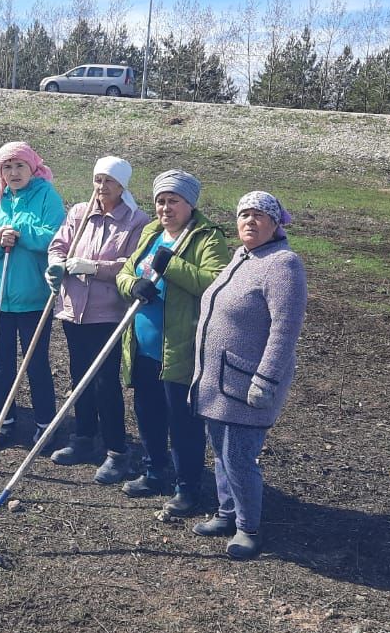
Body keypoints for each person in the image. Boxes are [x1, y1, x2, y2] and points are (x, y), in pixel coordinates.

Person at [190, 191, 306, 560]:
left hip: (246, 383)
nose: (250, 222)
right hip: (217, 380)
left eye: (259, 215)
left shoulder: (283, 264)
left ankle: (248, 529)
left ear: (275, 223)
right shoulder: (242, 256)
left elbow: (285, 330)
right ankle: (227, 513)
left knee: (239, 456)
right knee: (221, 454)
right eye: (244, 215)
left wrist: (266, 379)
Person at [116, 170, 230, 514]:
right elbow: (126, 271)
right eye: (161, 201)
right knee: (147, 411)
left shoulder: (206, 238)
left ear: (190, 203)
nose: (166, 208)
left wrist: (173, 265)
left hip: (179, 347)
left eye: (173, 201)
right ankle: (154, 471)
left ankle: (188, 487)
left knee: (182, 419)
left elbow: (215, 283)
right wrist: (132, 286)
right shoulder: (152, 232)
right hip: (143, 344)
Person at [44, 156, 149, 483]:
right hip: (74, 309)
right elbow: (58, 244)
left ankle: (117, 451)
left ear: (122, 185)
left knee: (105, 381)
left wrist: (94, 268)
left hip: (108, 313)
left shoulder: (136, 221)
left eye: (109, 182)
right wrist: (56, 264)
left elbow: (133, 264)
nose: (101, 187)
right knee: (78, 375)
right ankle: (83, 438)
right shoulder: (79, 212)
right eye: (98, 180)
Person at [0, 142, 66, 447]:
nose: (14, 173)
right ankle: (4, 422)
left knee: (35, 362)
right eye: (7, 167)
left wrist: (20, 231)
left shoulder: (46, 195)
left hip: (32, 296)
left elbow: (56, 237)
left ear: (32, 167)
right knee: (0, 364)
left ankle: (45, 425)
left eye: (19, 166)